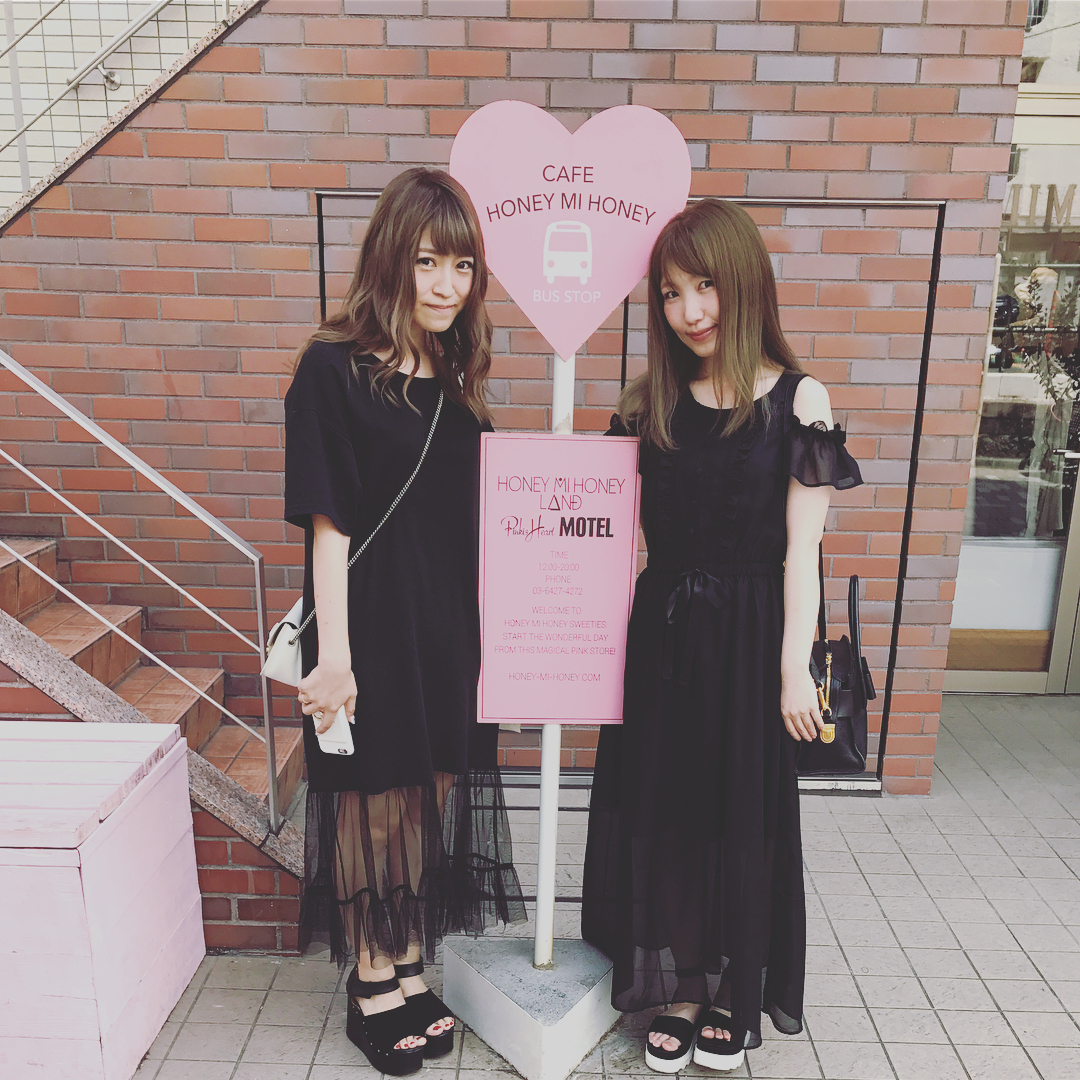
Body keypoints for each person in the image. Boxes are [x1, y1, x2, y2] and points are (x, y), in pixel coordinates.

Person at [581, 199, 862, 1073]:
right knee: (668, 813)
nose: (690, 310)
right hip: (662, 637)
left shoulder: (799, 399)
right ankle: (685, 984)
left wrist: (793, 670)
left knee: (741, 814)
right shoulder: (649, 402)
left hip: (751, 639)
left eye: (704, 286)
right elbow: (599, 528)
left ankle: (737, 987)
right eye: (670, 294)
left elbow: (804, 552)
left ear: (743, 283)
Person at [283, 168, 525, 1077]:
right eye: (428, 261)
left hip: (447, 627)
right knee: (371, 804)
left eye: (461, 266)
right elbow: (329, 522)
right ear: (391, 257)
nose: (446, 285)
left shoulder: (458, 381)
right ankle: (371, 978)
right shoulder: (332, 368)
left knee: (427, 801)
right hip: (367, 625)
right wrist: (336, 658)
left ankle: (411, 958)